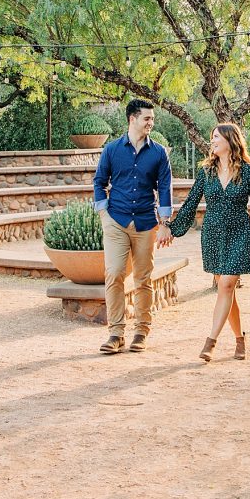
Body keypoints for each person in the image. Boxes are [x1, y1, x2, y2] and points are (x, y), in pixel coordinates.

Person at [168, 123, 250, 362]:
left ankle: (210, 342)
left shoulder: (248, 172)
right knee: (227, 288)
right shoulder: (206, 172)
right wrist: (172, 230)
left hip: (240, 234)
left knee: (226, 285)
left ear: (229, 140)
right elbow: (191, 203)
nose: (211, 141)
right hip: (213, 235)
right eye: (211, 136)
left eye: (215, 137)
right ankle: (239, 339)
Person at [93, 98, 173, 355]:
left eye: (152, 118)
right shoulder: (112, 150)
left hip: (145, 223)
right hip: (115, 220)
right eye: (147, 118)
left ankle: (141, 331)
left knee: (143, 278)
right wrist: (104, 213)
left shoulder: (159, 153)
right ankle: (116, 334)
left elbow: (164, 189)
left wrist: (165, 223)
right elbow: (99, 181)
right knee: (114, 273)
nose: (151, 122)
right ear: (132, 119)